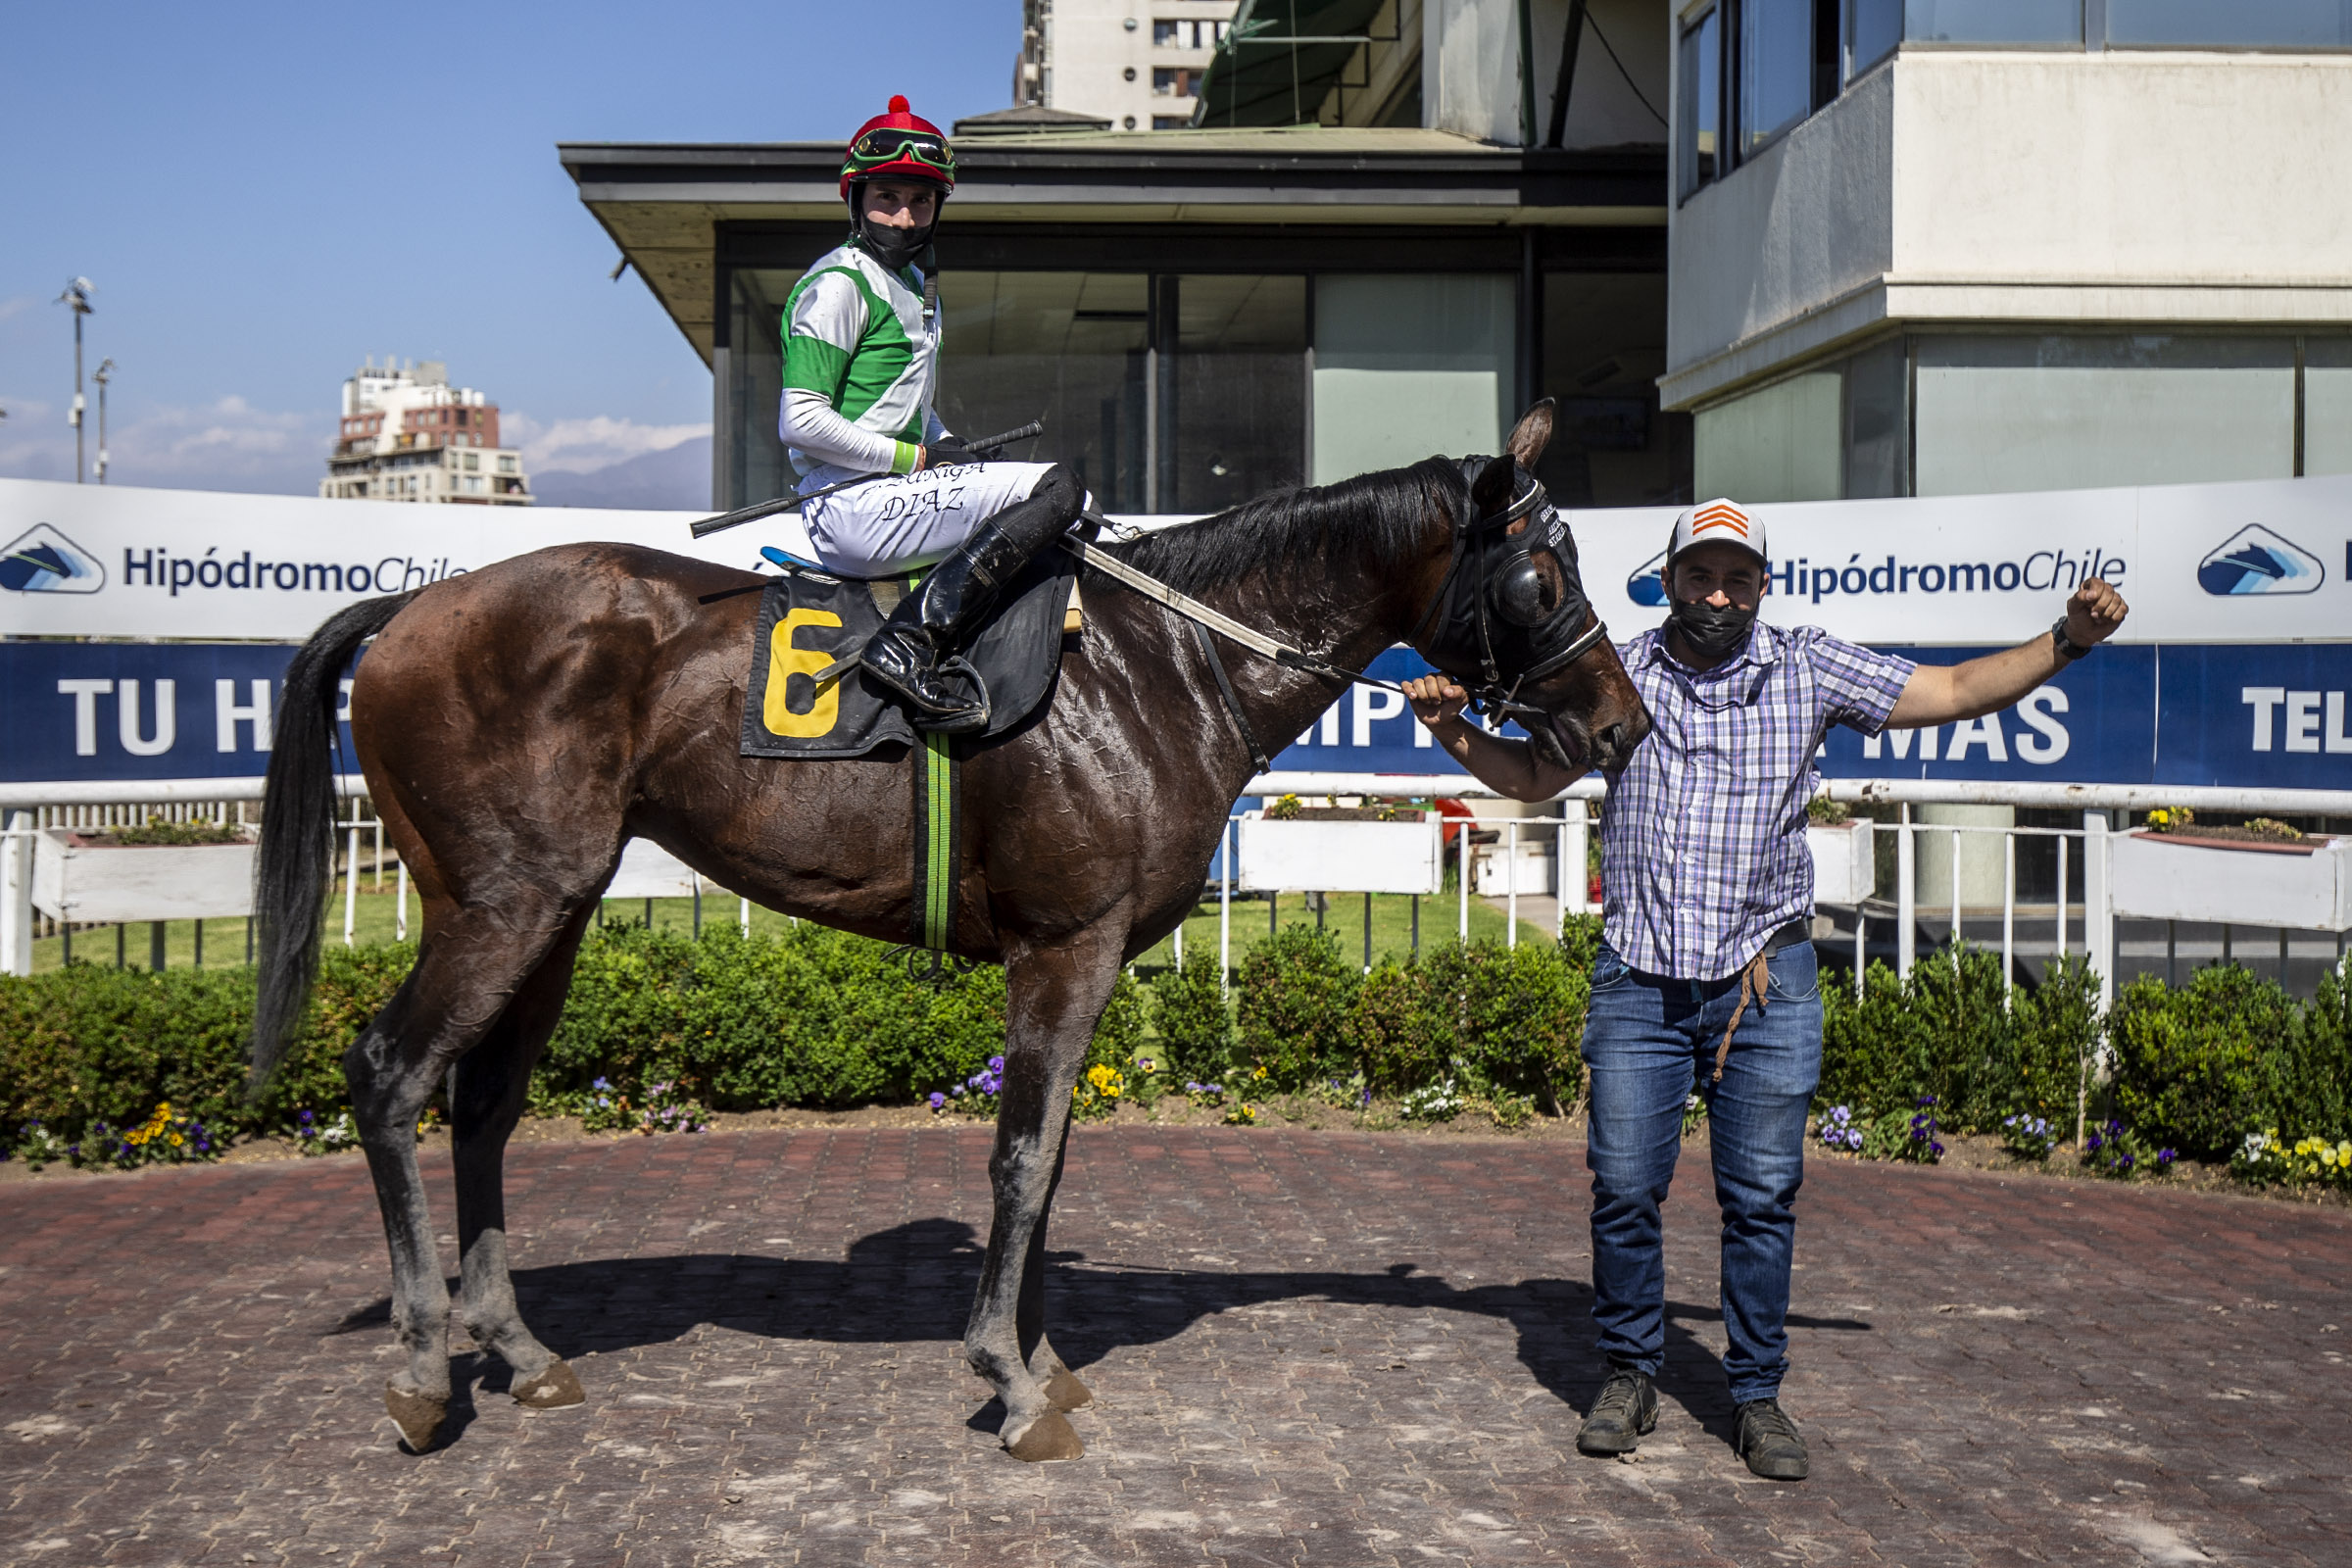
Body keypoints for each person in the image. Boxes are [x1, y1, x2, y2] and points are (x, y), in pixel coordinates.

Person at [1402, 496, 2129, 1480]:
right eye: (1701, 576)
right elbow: (1532, 777)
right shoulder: (1619, 673)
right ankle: (1629, 1373)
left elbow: (1956, 688)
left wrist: (2068, 640)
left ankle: (1755, 1395)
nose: (1719, 595)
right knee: (1625, 1190)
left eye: (1738, 579)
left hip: (1766, 981)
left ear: (1762, 587)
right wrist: (1451, 730)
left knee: (1760, 1200)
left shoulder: (1808, 666)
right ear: (1668, 582)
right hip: (1640, 979)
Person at [778, 95, 1084, 733]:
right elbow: (801, 421)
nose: (904, 217)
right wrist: (919, 458)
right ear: (855, 198)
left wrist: (951, 443)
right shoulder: (838, 286)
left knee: (1074, 509)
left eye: (921, 201)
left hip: (890, 490)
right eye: (887, 197)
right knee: (1059, 489)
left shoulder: (917, 287)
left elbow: (906, 402)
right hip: (850, 504)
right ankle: (906, 644)